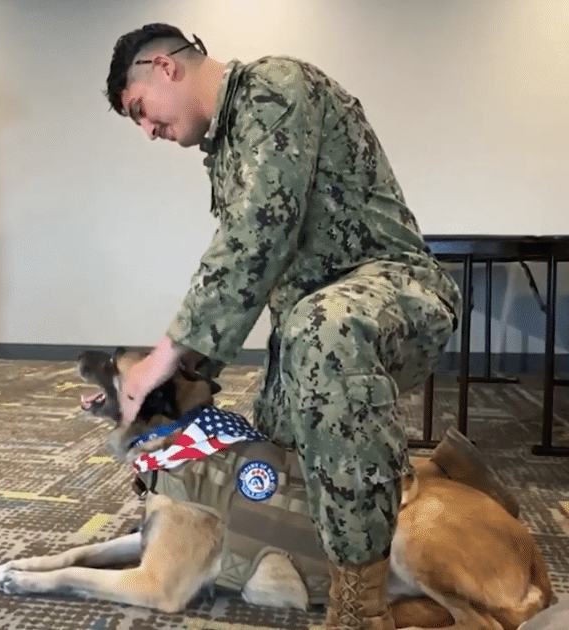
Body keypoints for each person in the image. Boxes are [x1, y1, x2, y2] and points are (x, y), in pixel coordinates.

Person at [103, 23, 516, 629]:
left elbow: (254, 240)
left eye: (141, 111)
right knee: (272, 460)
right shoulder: (226, 148)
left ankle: (360, 607)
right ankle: (447, 492)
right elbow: (252, 263)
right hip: (309, 325)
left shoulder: (276, 88)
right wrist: (187, 375)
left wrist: (169, 355)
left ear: (164, 66)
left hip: (394, 292)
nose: (148, 131)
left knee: (323, 335)